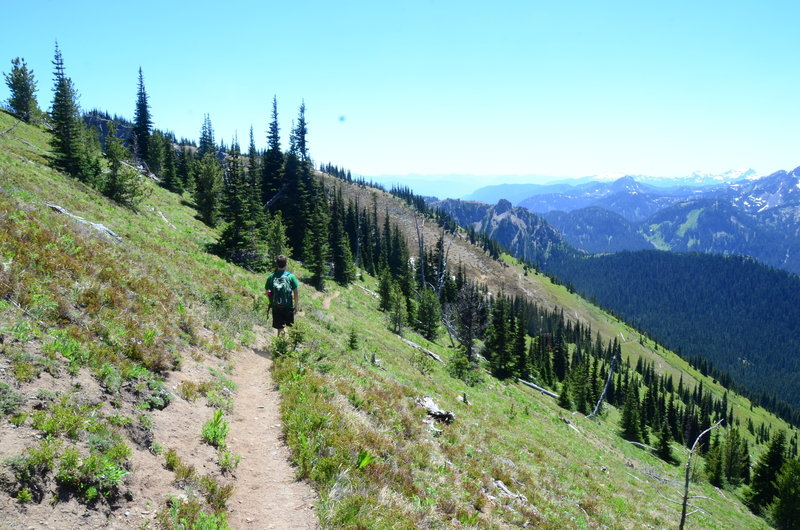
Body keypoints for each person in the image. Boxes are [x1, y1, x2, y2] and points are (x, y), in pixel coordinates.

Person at [265, 255, 300, 336]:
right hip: (288, 306)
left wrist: (272, 301)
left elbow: (267, 293)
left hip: (276, 306)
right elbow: (296, 293)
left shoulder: (271, 277)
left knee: (280, 328)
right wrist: (296, 306)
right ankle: (290, 345)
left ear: (277, 264)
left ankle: (280, 345)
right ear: (286, 264)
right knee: (290, 327)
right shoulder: (291, 276)